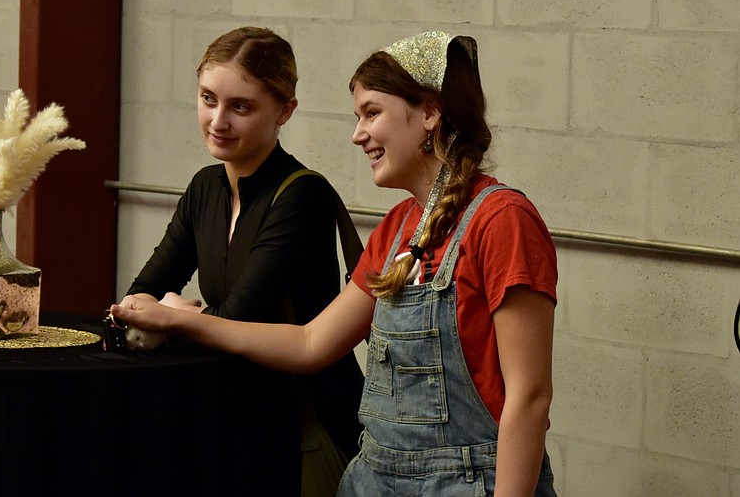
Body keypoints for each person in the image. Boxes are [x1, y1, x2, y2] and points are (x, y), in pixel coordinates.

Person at [112, 31, 558, 496]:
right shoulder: (397, 228)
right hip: (374, 480)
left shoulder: (502, 219)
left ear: (428, 113)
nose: (357, 134)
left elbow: (528, 398)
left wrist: (183, 319)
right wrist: (175, 319)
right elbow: (310, 343)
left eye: (372, 113)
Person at [121, 26, 364, 492]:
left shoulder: (301, 195)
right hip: (235, 417)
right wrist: (180, 314)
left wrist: (177, 313)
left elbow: (239, 317)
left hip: (303, 426)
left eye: (240, 106)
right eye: (208, 98)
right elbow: (138, 297)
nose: (218, 121)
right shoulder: (205, 187)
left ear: (285, 110)